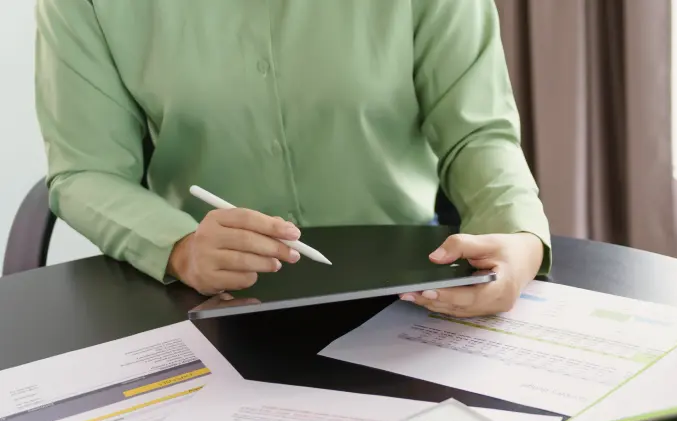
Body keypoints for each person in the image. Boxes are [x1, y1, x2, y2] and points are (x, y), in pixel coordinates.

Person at [35, 0, 548, 317]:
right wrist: (179, 246)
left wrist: (519, 235)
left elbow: (477, 132)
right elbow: (87, 170)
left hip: (403, 295)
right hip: (206, 302)